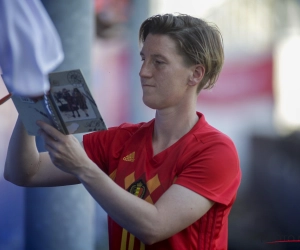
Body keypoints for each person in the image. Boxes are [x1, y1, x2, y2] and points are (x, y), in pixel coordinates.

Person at [4, 13, 241, 250]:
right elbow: (24, 173)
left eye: (158, 62)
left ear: (196, 74)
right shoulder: (123, 139)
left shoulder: (216, 151)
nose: (143, 71)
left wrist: (84, 168)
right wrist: (30, 97)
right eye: (143, 59)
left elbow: (154, 227)